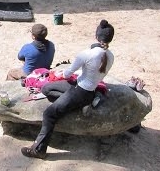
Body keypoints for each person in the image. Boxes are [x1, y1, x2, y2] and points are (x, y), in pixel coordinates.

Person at [21, 19, 115, 159]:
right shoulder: (111, 56)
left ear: (96, 36)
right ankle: (81, 104)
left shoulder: (86, 54)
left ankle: (39, 149)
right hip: (87, 89)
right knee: (46, 89)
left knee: (49, 114)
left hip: (79, 91)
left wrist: (60, 74)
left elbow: (66, 74)